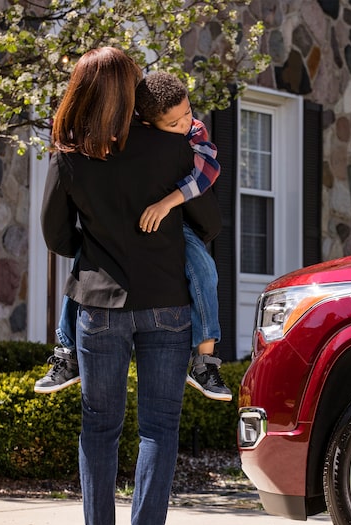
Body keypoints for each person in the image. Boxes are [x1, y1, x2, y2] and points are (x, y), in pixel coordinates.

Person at [40, 46, 221, 525]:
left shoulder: (70, 156)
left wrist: (97, 246)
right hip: (167, 303)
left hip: (99, 307)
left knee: (99, 428)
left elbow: (56, 235)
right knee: (159, 429)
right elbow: (208, 221)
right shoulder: (172, 147)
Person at [36, 73, 232, 402]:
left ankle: (204, 358)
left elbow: (208, 171)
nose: (185, 123)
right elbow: (210, 223)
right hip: (166, 280)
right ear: (146, 121)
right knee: (161, 418)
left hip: (110, 279)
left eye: (187, 113)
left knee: (88, 262)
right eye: (174, 123)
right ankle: (67, 349)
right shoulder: (170, 146)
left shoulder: (189, 134)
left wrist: (166, 205)